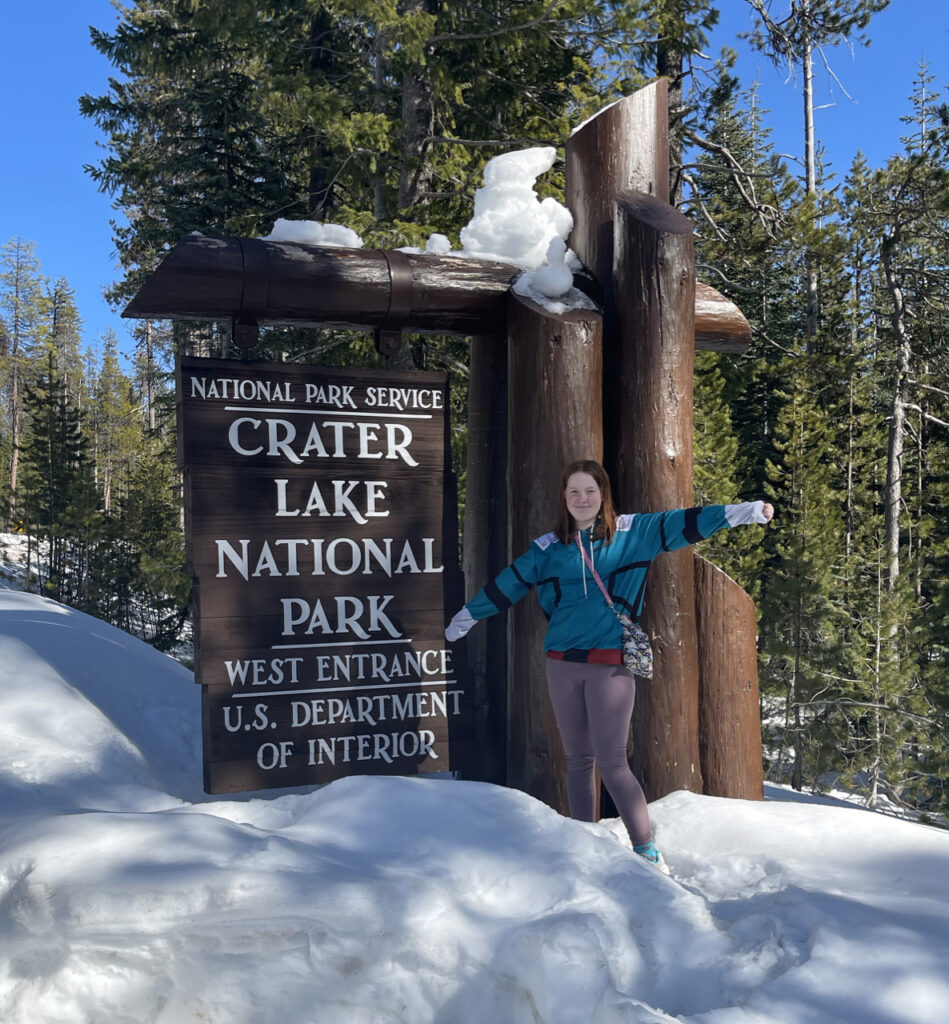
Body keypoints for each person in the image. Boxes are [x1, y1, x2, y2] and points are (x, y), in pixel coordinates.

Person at [445, 459, 774, 871]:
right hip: (561, 664)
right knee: (578, 760)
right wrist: (469, 615)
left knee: (613, 761)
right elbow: (510, 582)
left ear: (603, 496)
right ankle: (585, 841)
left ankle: (645, 848)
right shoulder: (547, 549)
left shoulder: (632, 534)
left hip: (611, 667)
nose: (582, 499)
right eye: (574, 492)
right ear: (563, 499)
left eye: (590, 491)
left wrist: (742, 513)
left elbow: (686, 522)